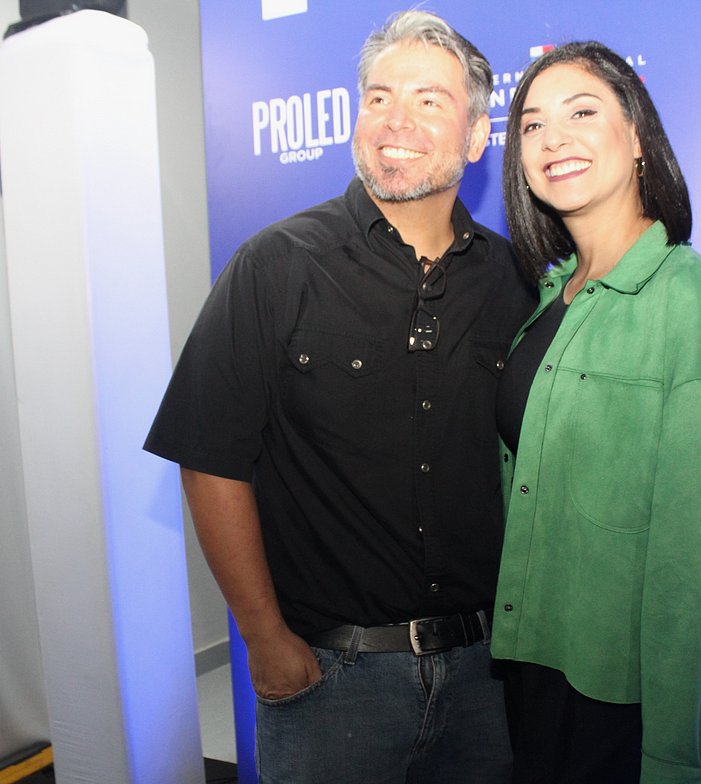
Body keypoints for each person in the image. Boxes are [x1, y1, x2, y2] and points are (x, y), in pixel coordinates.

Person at [144, 11, 534, 783]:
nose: (396, 120)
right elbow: (210, 460)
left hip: (488, 680)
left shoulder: (515, 280)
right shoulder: (275, 265)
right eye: (379, 97)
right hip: (330, 685)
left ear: (476, 137)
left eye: (428, 100)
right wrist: (263, 638)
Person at [490, 41, 701, 783]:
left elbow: (698, 562)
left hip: (617, 702)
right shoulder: (550, 297)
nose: (553, 139)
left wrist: (678, 758)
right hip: (528, 673)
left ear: (636, 136)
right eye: (532, 125)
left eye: (581, 112)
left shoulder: (686, 295)